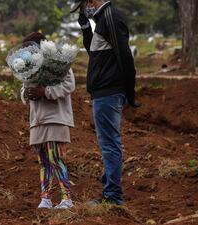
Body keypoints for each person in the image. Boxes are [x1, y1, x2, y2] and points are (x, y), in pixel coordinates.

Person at [70, 0, 138, 205]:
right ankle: (110, 191)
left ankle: (113, 197)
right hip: (103, 92)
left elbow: (125, 55)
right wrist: (85, 28)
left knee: (110, 144)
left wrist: (130, 91)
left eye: (83, 7)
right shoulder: (102, 20)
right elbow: (96, 53)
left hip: (109, 92)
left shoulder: (110, 16)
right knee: (108, 143)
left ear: (90, 2)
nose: (84, 12)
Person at [21, 32, 76, 209]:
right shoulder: (28, 66)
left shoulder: (58, 63)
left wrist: (45, 92)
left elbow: (69, 85)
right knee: (43, 161)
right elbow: (24, 90)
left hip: (56, 118)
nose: (28, 52)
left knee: (56, 158)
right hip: (37, 120)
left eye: (31, 47)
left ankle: (67, 199)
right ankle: (45, 198)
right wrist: (27, 93)